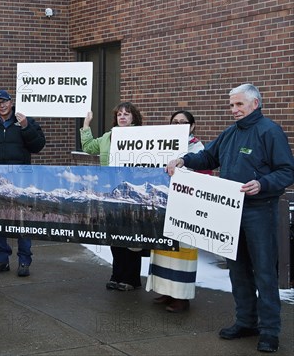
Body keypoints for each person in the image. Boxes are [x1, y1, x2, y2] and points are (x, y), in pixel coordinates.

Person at [166, 84, 294, 353]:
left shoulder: (270, 132)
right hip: (230, 212)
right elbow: (208, 156)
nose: (233, 110)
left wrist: (263, 183)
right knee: (237, 269)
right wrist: (183, 161)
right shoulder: (230, 133)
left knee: (264, 272)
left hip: (260, 210)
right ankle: (246, 321)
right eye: (231, 105)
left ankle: (270, 330)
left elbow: (286, 171)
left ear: (255, 104)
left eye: (239, 105)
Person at [146, 110, 211, 312]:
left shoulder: (197, 148)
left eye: (184, 122)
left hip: (186, 206)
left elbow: (204, 175)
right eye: (175, 121)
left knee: (182, 251)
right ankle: (166, 290)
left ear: (192, 126)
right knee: (163, 248)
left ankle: (181, 297)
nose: (179, 124)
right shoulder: (163, 145)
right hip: (165, 204)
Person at [0, 89, 46, 277]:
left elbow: (38, 145)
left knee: (22, 222)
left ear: (11, 102)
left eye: (5, 101)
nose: (1, 105)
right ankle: (2, 259)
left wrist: (25, 126)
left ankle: (24, 261)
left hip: (21, 181)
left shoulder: (26, 121)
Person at [80, 102, 143, 291]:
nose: (122, 117)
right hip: (112, 192)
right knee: (115, 236)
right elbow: (89, 148)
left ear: (134, 118)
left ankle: (131, 279)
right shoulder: (108, 137)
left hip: (133, 194)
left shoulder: (142, 136)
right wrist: (86, 125)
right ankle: (116, 275)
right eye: (119, 114)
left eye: (127, 114)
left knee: (131, 238)